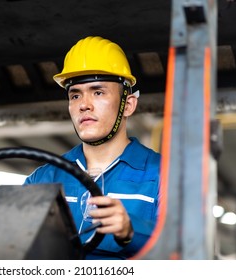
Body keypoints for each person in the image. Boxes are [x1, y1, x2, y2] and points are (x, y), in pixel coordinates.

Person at [24, 36, 161, 260]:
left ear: (128, 105)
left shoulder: (163, 175)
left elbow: (186, 252)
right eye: (75, 95)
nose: (84, 104)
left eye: (98, 92)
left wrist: (131, 232)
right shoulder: (43, 178)